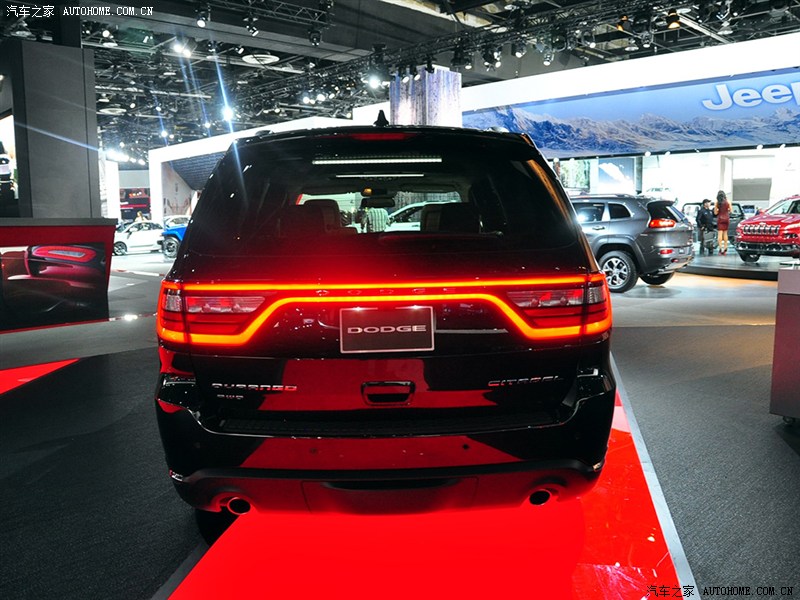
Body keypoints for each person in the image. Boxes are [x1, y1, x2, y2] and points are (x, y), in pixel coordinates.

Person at [714, 190, 731, 255]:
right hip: (726, 218)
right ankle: (725, 247)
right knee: (725, 233)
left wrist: (718, 210)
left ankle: (720, 248)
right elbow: (730, 211)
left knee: (720, 234)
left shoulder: (717, 203)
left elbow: (715, 213)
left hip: (720, 219)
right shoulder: (728, 202)